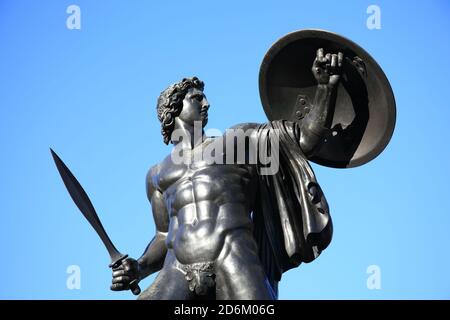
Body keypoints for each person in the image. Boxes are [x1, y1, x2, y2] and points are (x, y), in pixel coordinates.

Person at [110, 49, 343, 299]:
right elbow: (163, 236)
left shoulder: (237, 142)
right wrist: (140, 266)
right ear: (173, 107)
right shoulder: (156, 174)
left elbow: (305, 140)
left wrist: (326, 88)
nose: (207, 103)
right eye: (197, 98)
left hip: (234, 257)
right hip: (176, 270)